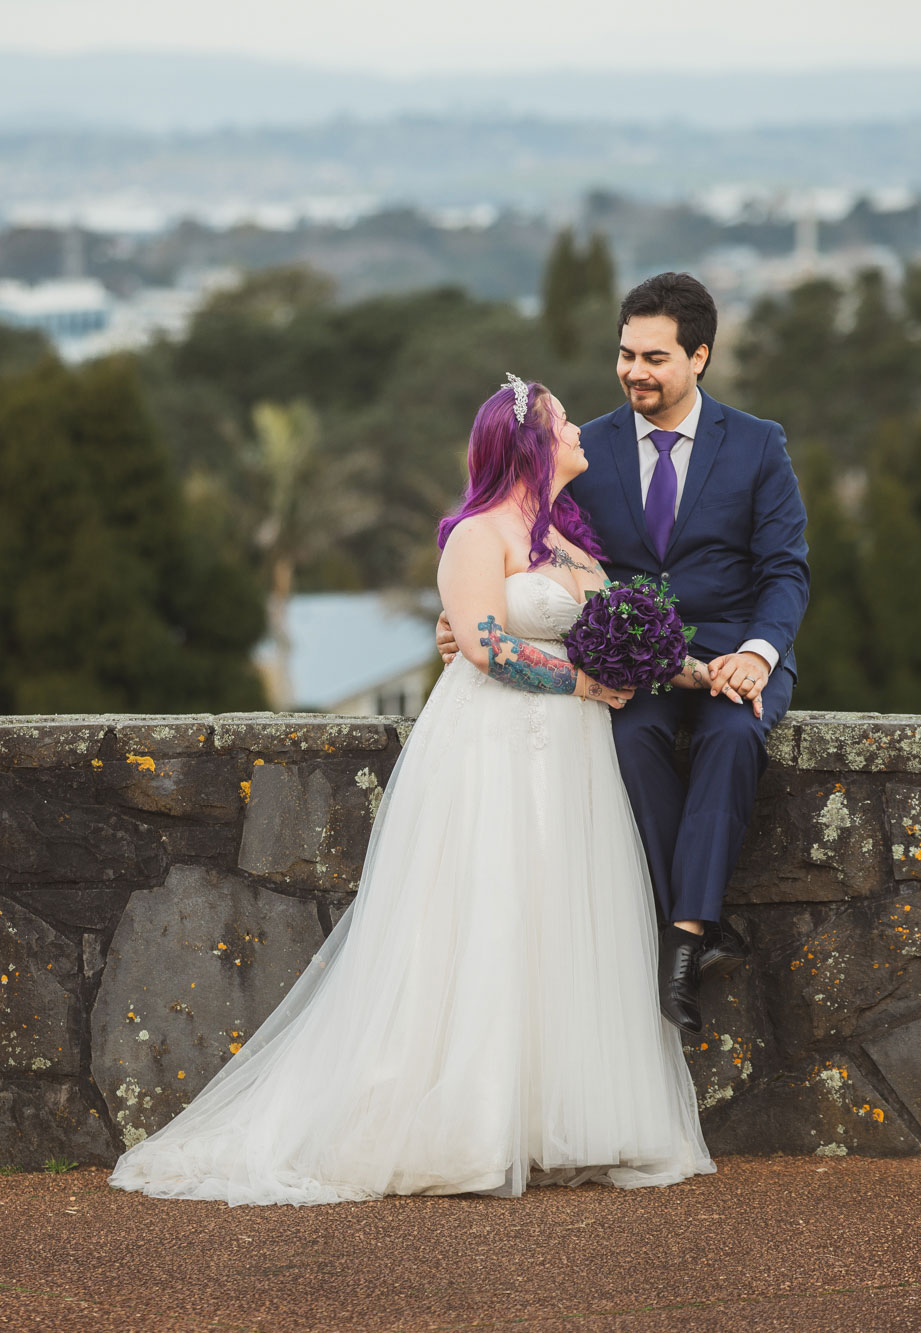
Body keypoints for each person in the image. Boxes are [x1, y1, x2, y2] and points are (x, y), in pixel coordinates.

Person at [108, 375, 716, 1206]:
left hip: (573, 762)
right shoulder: (478, 534)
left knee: (559, 916)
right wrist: (579, 684)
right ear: (530, 445)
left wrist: (697, 668)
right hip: (495, 747)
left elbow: (623, 642)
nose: (580, 429)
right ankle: (470, 1121)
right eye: (563, 422)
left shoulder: (575, 549)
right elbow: (482, 642)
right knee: (488, 915)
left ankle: (555, 1120)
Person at [439, 273, 810, 1036]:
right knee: (634, 738)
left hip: (735, 651)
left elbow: (786, 570)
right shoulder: (582, 448)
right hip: (630, 662)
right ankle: (690, 928)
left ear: (699, 356)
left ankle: (684, 937)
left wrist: (758, 654)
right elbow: (524, 553)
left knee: (734, 737)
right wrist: (464, 625)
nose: (635, 370)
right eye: (625, 353)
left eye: (655, 356)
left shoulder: (759, 443)